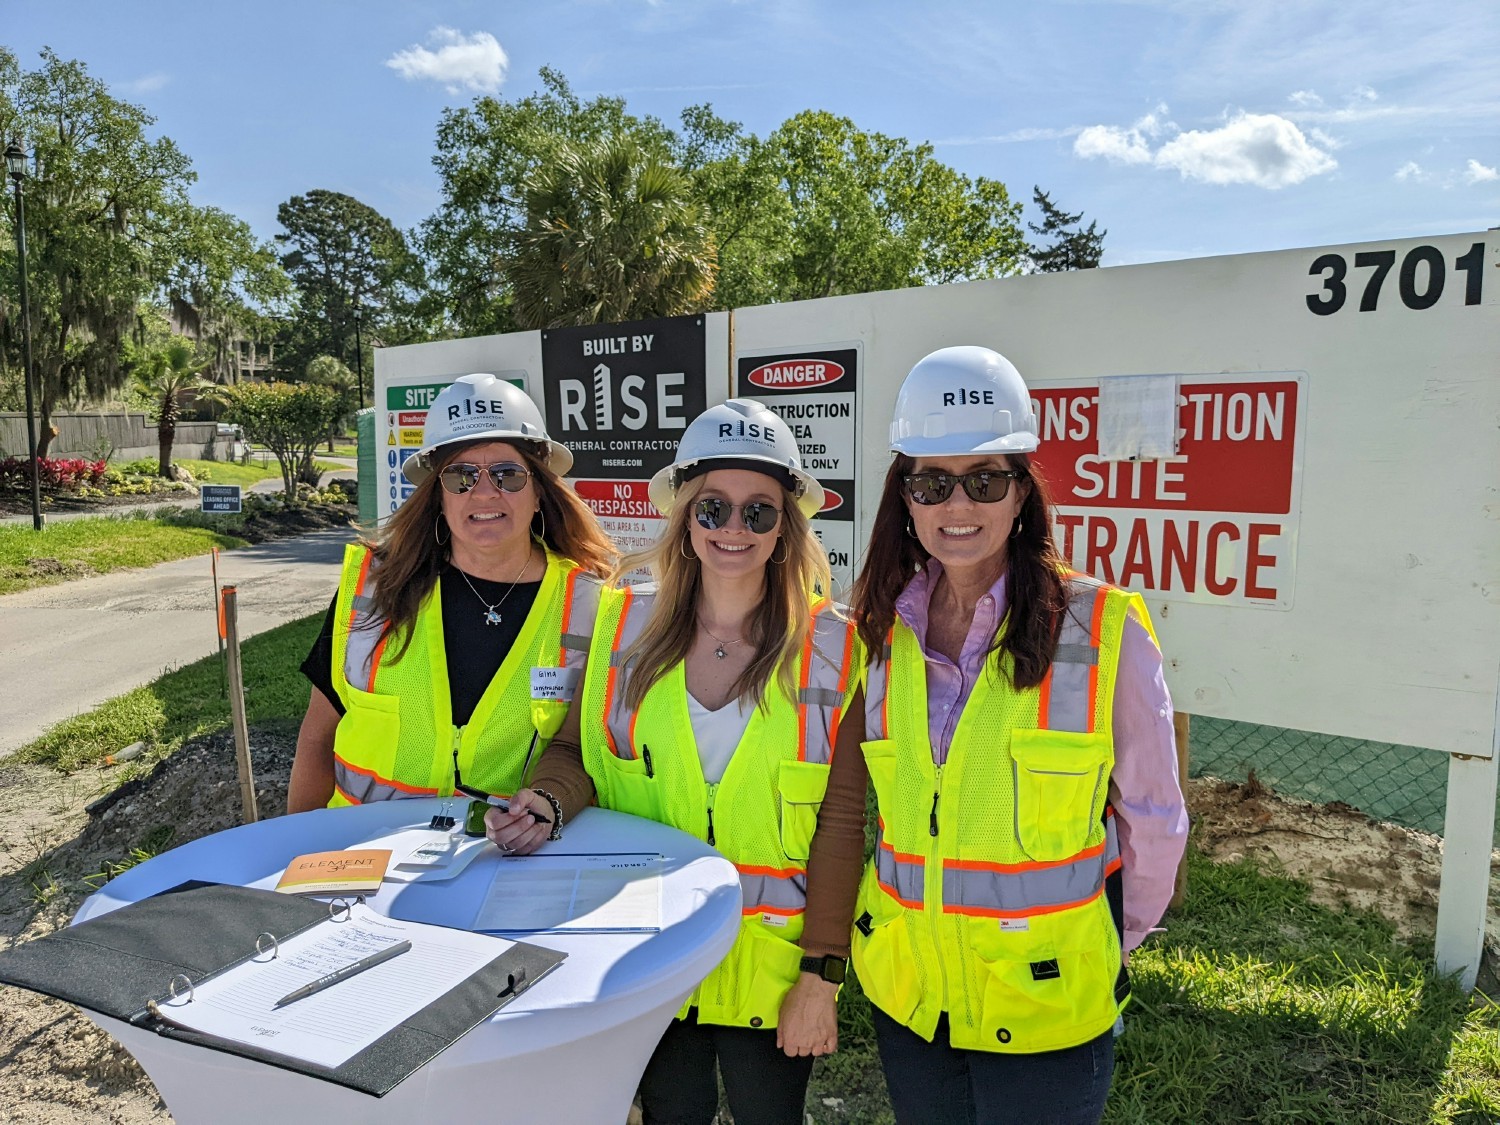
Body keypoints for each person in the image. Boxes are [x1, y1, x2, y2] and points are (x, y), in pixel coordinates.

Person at [490, 399, 868, 1125]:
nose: (734, 528)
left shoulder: (833, 646)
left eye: (759, 512)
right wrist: (546, 798)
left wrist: (821, 973)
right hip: (648, 958)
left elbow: (842, 822)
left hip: (771, 967)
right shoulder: (622, 622)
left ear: (787, 527)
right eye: (714, 507)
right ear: (685, 517)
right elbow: (575, 751)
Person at [846, 346, 1189, 1125]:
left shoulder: (1102, 629)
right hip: (912, 996)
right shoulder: (878, 629)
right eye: (933, 482)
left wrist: (1105, 945)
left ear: (1021, 492)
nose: (957, 505)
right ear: (905, 495)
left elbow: (1155, 820)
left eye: (985, 479)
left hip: (1047, 1006)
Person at [286, 373, 614, 814]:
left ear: (539, 492)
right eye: (460, 476)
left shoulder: (590, 605)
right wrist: (297, 847)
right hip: (361, 856)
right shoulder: (373, 586)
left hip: (498, 859)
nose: (483, 492)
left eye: (507, 475)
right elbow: (318, 733)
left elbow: (580, 748)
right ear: (438, 495)